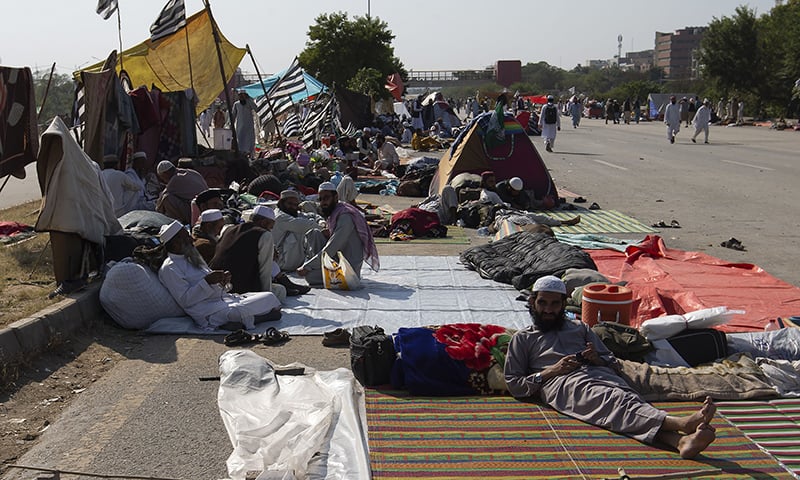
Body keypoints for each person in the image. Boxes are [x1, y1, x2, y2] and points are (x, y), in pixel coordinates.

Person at [504, 276, 717, 459]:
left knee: (623, 401)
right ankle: (680, 423)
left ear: (563, 304)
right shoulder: (523, 339)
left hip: (597, 373)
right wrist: (553, 370)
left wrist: (597, 358)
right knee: (613, 401)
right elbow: (514, 384)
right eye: (543, 303)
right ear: (533, 303)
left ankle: (679, 443)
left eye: (554, 304)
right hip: (561, 384)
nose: (548, 310)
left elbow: (611, 360)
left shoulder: (580, 328)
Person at [157, 220, 282, 331]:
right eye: (186, 238)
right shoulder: (170, 268)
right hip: (206, 310)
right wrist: (206, 282)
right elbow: (185, 301)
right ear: (175, 244)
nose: (192, 240)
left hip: (226, 300)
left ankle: (244, 321)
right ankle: (256, 318)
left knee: (269, 296)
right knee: (235, 313)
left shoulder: (192, 257)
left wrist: (224, 281)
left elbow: (219, 287)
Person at [298, 182, 379, 286]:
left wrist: (307, 266)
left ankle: (318, 267)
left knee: (311, 276)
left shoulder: (345, 216)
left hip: (348, 268)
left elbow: (332, 247)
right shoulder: (336, 211)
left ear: (335, 197)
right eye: (321, 199)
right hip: (337, 258)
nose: (323, 202)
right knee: (314, 234)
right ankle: (318, 265)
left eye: (326, 198)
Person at [272, 189, 327, 272]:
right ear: (282, 203)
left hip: (291, 259)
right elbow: (306, 225)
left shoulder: (292, 213)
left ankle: (318, 262)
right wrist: (323, 229)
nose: (293, 207)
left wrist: (321, 222)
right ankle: (318, 263)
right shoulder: (279, 217)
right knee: (305, 231)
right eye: (290, 203)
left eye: (295, 204)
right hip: (282, 260)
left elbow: (312, 215)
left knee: (311, 223)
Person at [156, 160, 209, 225]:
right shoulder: (191, 172)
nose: (163, 180)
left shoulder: (174, 180)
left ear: (165, 174)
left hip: (197, 210)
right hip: (206, 204)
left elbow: (160, 203)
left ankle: (177, 223)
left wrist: (157, 214)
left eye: (163, 178)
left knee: (167, 198)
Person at [232, 90, 258, 158]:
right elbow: (233, 115)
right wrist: (231, 125)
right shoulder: (236, 104)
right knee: (240, 142)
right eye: (240, 96)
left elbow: (256, 109)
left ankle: (251, 156)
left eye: (243, 96)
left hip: (249, 126)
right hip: (240, 127)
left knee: (250, 141)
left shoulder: (249, 103)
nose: (241, 97)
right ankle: (241, 156)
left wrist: (249, 99)